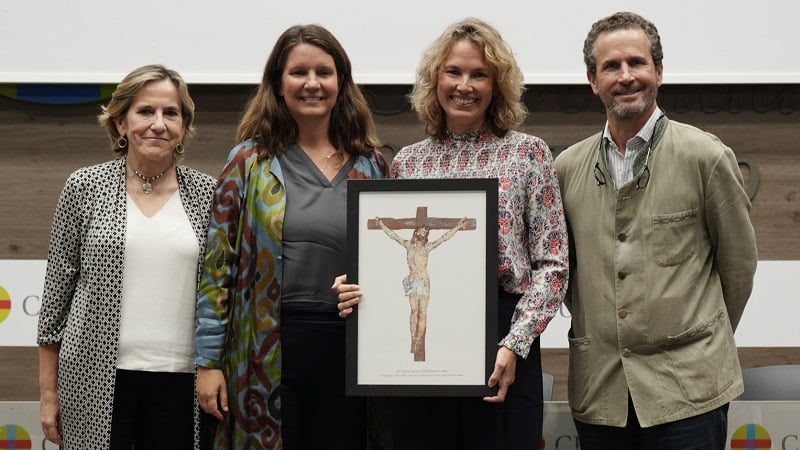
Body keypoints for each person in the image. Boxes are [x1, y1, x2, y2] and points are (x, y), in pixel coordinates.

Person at [335, 18, 568, 450]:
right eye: (454, 72)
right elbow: (387, 260)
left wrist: (514, 344)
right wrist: (357, 287)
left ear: (497, 84)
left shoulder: (529, 153)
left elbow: (552, 264)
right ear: (434, 80)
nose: (465, 85)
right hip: (427, 341)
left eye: (480, 74)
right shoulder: (409, 162)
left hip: (504, 337)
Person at [554, 11, 758, 450]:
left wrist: (700, 343)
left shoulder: (706, 157)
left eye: (637, 63)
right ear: (593, 80)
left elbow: (738, 269)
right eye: (611, 66)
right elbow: (569, 276)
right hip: (600, 391)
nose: (626, 77)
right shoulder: (566, 168)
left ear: (659, 71)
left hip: (689, 395)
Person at [195, 24, 387, 449]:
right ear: (279, 83)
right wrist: (207, 363)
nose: (313, 83)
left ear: (342, 82)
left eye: (325, 71)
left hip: (350, 349)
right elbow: (217, 267)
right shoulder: (248, 161)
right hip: (262, 349)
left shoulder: (372, 164)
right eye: (299, 72)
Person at [37, 64, 217, 449]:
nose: (158, 123)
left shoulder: (209, 194)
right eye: (145, 111)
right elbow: (55, 298)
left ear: (184, 125)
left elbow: (221, 294)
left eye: (171, 113)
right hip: (93, 377)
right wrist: (48, 393)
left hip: (183, 379)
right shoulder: (84, 187)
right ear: (120, 123)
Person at [374, 216, 468, 361]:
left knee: (422, 312)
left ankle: (418, 342)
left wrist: (457, 226)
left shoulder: (427, 247)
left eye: (424, 233)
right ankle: (413, 340)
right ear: (415, 233)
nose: (421, 234)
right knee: (414, 311)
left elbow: (443, 238)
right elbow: (393, 235)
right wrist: (381, 224)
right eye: (420, 232)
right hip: (412, 280)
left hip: (423, 282)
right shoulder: (408, 245)